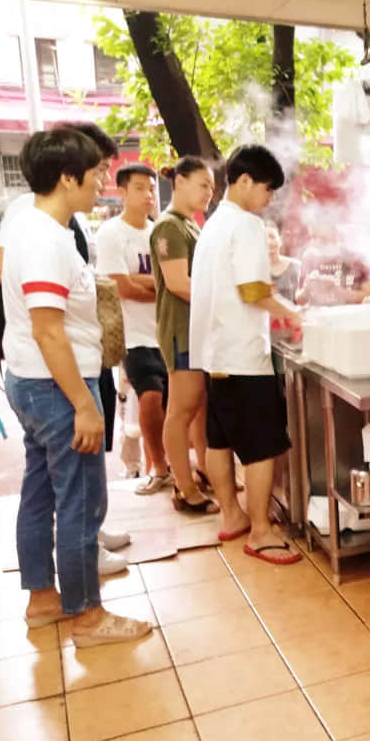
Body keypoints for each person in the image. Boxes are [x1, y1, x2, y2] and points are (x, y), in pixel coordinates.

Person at [0, 127, 151, 646]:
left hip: (33, 381)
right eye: (94, 174)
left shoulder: (37, 227)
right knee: (80, 500)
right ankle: (87, 614)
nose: (101, 181)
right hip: (56, 387)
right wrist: (85, 406)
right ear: (67, 178)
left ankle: (43, 599)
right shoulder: (43, 239)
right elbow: (48, 330)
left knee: (41, 490)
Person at [189, 145, 302, 565]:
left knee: (219, 440)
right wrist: (292, 313)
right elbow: (252, 289)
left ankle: (233, 515)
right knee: (261, 445)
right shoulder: (247, 225)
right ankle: (260, 531)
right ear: (244, 181)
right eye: (267, 188)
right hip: (242, 356)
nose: (268, 198)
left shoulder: (213, 225)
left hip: (213, 355)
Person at [96, 163, 174, 496]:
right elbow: (121, 286)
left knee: (174, 404)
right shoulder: (111, 233)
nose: (148, 195)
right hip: (133, 335)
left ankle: (173, 466)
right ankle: (157, 468)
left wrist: (148, 282)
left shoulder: (158, 232)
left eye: (152, 188)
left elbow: (173, 282)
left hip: (167, 332)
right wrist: (157, 285)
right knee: (151, 398)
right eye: (140, 188)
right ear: (123, 191)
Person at [151, 157, 218, 514]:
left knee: (199, 407)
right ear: (178, 182)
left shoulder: (191, 226)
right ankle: (183, 488)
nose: (210, 192)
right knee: (181, 409)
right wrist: (225, 298)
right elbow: (179, 284)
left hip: (198, 330)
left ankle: (204, 471)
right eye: (203, 184)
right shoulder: (169, 228)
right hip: (182, 331)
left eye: (211, 186)